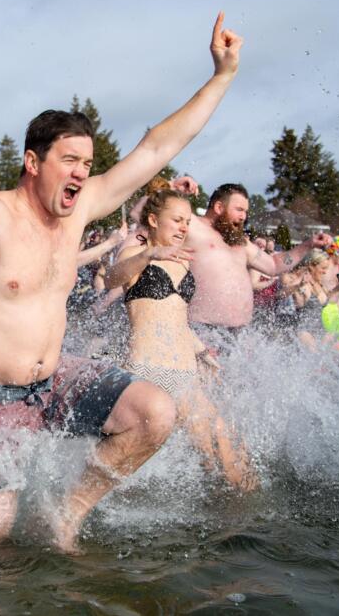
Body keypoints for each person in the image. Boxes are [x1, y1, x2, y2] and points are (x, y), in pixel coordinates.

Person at [0, 13, 241, 551]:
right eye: (69, 160)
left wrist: (220, 76)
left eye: (88, 162)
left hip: (54, 379)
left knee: (155, 412)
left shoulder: (80, 212)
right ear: (33, 162)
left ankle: (66, 514)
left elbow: (154, 150)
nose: (82, 171)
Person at [104, 179, 256, 489]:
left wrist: (201, 352)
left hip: (184, 373)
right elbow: (111, 278)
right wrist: (149, 255)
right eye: (177, 220)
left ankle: (248, 523)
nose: (184, 228)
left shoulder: (182, 264)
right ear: (153, 220)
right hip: (147, 371)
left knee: (227, 451)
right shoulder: (136, 252)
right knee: (128, 461)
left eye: (188, 222)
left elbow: (177, 318)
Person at [185, 183, 331, 344]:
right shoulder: (192, 225)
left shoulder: (240, 242)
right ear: (219, 207)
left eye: (246, 212)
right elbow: (156, 207)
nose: (243, 217)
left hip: (238, 334)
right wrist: (173, 187)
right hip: (202, 330)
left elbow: (274, 265)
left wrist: (308, 245)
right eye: (239, 210)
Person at [285, 250, 339, 379]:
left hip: (320, 329)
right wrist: (299, 285)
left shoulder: (318, 283)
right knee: (318, 365)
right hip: (305, 330)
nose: (325, 271)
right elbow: (283, 293)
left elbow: (326, 299)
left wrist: (338, 288)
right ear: (312, 266)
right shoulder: (303, 282)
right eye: (323, 268)